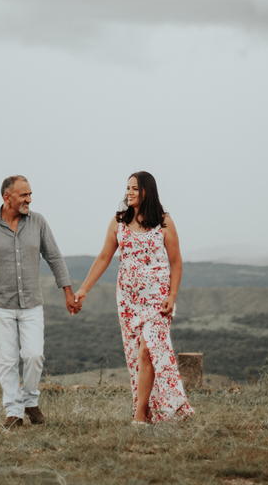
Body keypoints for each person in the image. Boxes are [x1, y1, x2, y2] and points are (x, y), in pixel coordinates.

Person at [74, 171, 193, 423]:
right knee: (135, 357)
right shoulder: (119, 222)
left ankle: (140, 415)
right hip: (128, 302)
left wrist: (172, 296)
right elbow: (104, 258)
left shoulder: (164, 222)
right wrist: (83, 290)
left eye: (134, 188)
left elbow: (176, 262)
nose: (129, 192)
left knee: (148, 350)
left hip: (158, 300)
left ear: (147, 191)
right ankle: (148, 410)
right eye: (127, 188)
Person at [0, 175, 81, 429]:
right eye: (24, 195)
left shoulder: (38, 222)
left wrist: (68, 292)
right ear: (7, 197)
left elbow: (54, 257)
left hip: (32, 302)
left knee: (34, 355)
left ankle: (30, 400)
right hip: (0, 303)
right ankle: (14, 412)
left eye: (30, 194)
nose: (29, 199)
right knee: (7, 361)